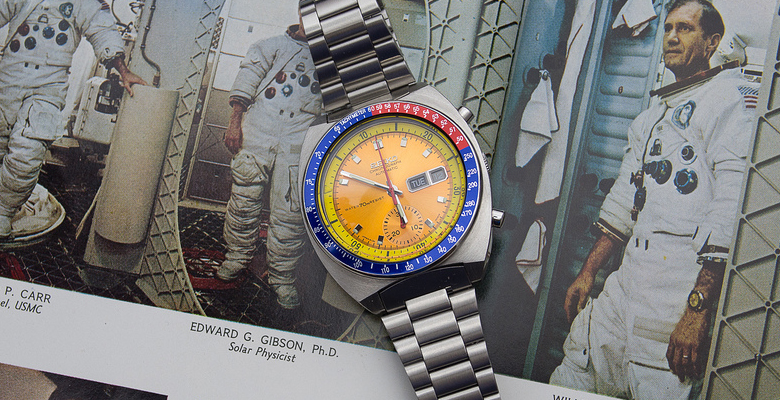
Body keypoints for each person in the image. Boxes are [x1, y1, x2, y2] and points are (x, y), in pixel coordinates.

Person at [549, 1, 756, 398]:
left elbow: (730, 209)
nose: (672, 38)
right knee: (575, 370)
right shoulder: (652, 116)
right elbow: (625, 198)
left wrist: (696, 310)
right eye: (668, 28)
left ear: (712, 42)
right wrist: (588, 271)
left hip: (676, 292)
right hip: (626, 285)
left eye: (685, 29)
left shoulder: (727, 103)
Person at [0, 0, 145, 238]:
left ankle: (3, 211)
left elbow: (102, 31)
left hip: (47, 86)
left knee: (27, 154)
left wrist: (123, 70)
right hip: (8, 77)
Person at [215, 17, 322, 310]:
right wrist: (234, 124)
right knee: (244, 201)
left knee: (291, 213)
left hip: (299, 139)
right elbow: (246, 84)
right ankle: (237, 257)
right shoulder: (269, 47)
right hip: (259, 131)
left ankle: (282, 278)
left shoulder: (334, 59)